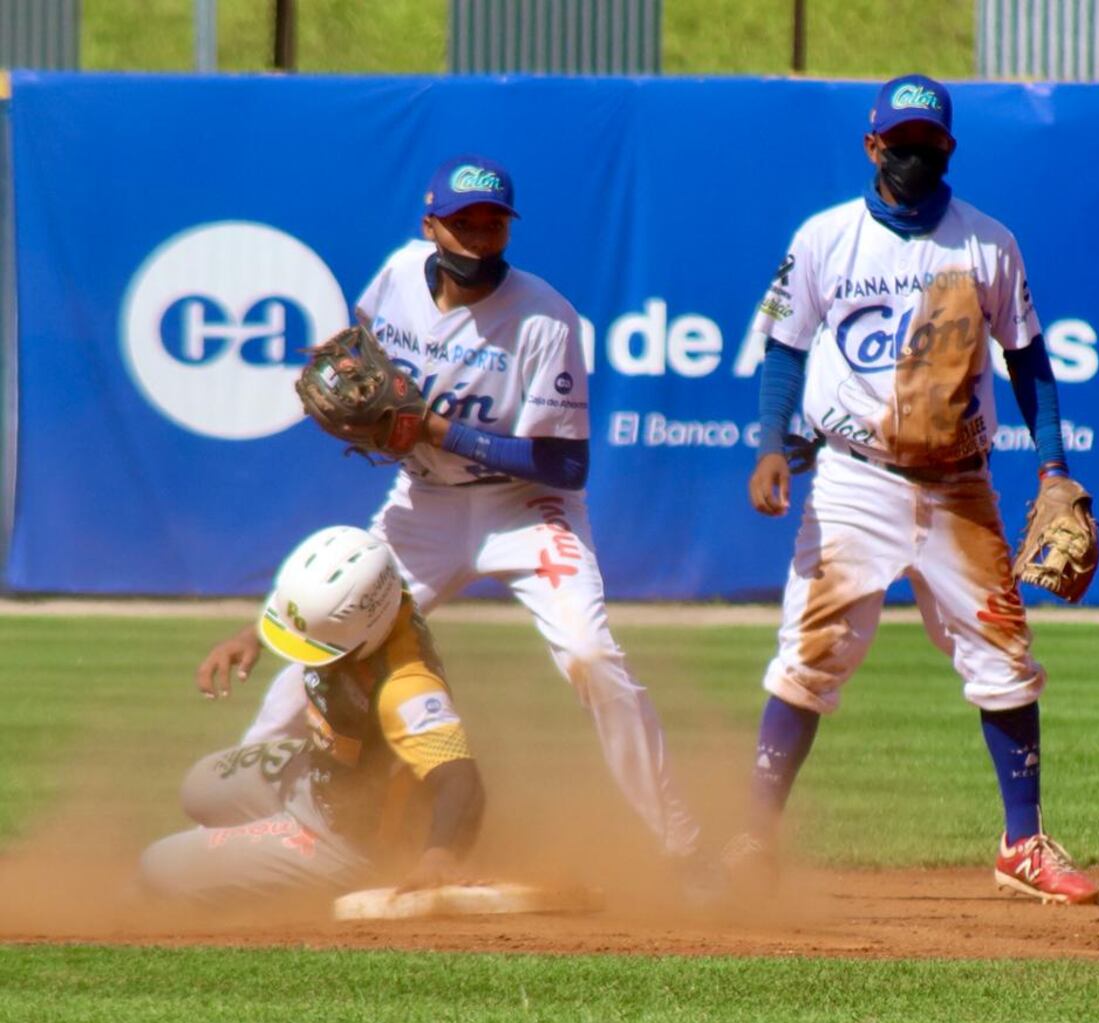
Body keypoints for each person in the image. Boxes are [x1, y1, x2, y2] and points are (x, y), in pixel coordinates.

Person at [197, 154, 702, 869]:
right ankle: (236, 819)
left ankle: (682, 851)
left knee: (593, 657)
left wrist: (435, 429)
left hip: (529, 512)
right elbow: (359, 354)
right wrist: (260, 626)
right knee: (323, 642)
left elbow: (565, 464)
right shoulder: (399, 275)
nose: (478, 237)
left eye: (492, 223)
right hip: (425, 506)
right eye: (463, 223)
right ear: (431, 224)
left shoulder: (545, 318)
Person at [722, 75, 1099, 904]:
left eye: (927, 145)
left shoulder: (987, 244)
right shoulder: (825, 239)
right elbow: (784, 348)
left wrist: (1053, 466)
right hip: (854, 481)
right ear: (871, 147)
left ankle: (1022, 843)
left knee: (1006, 662)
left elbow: (1028, 359)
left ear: (949, 150)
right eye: (899, 144)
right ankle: (753, 839)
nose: (912, 157)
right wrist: (768, 447)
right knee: (809, 659)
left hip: (960, 488)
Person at [141, 525, 484, 906]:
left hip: (346, 837)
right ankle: (253, 845)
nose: (301, 653)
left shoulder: (407, 688)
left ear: (362, 630)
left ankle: (267, 857)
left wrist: (440, 856)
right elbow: (306, 614)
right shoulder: (377, 604)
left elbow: (460, 779)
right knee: (197, 785)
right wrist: (249, 638)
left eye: (317, 645)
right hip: (317, 772)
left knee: (156, 866)